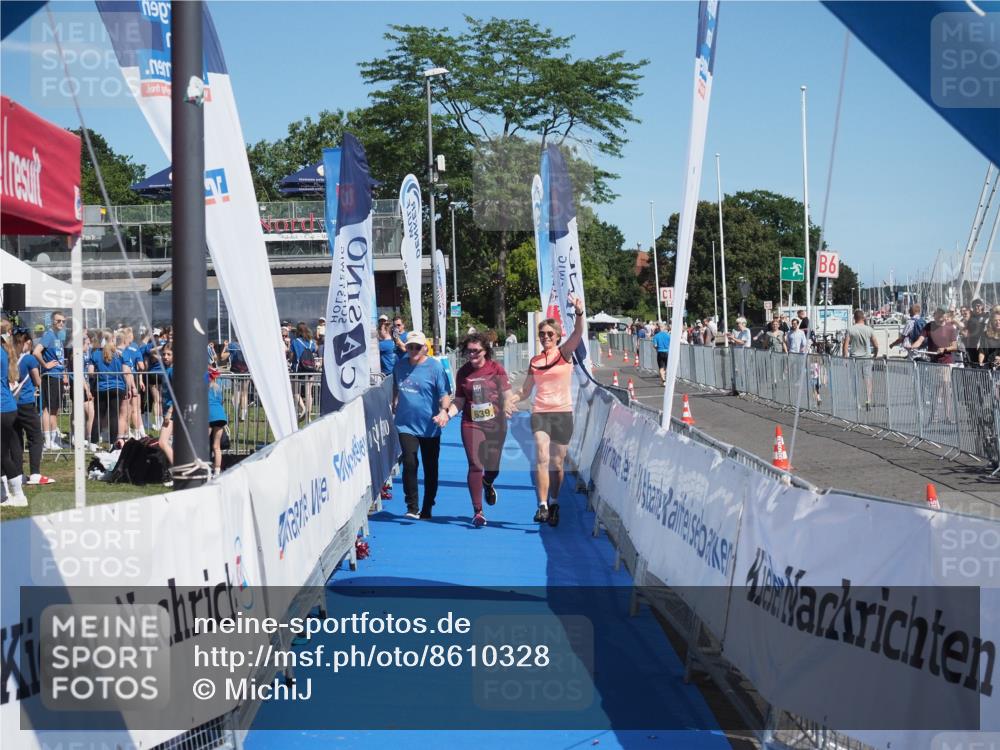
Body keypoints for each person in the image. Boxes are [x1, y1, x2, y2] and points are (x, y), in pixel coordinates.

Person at [517, 293, 586, 527]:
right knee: (542, 456)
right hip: (540, 413)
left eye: (549, 334)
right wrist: (508, 400)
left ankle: (555, 501)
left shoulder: (564, 353)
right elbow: (525, 391)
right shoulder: (535, 361)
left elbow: (578, 334)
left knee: (557, 464)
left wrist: (578, 312)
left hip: (562, 413)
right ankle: (543, 505)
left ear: (557, 337)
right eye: (542, 334)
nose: (545, 337)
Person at [446, 332, 516, 527]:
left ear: (485, 351)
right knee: (475, 464)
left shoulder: (496, 369)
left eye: (476, 351)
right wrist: (447, 414)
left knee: (492, 466)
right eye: (469, 351)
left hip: (496, 424)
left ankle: (488, 482)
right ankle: (478, 511)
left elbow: (508, 394)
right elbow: (459, 401)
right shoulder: (463, 372)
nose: (472, 355)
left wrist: (509, 404)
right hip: (471, 422)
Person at [392, 331, 452, 519]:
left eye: (417, 347)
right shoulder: (400, 365)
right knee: (409, 462)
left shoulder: (435, 368)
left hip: (429, 426)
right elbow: (395, 386)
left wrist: (444, 411)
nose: (413, 350)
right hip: (405, 424)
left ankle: (428, 504)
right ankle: (412, 506)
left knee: (430, 467)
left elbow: (445, 394)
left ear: (425, 347)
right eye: (410, 346)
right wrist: (394, 400)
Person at [13, 329, 53, 485]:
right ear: (27, 342)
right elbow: (37, 380)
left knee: (16, 439)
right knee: (35, 437)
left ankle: (18, 474)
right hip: (26, 403)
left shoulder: (10, 359)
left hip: (12, 404)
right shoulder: (29, 359)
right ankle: (35, 473)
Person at [33, 311, 68, 450]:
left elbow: (60, 358)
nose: (61, 323)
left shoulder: (58, 337)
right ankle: (47, 440)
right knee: (48, 409)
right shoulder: (48, 335)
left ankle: (53, 439)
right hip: (51, 376)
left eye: (63, 321)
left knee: (55, 409)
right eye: (58, 321)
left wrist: (64, 373)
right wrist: (45, 365)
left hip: (58, 375)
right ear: (52, 322)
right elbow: (36, 352)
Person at [88, 336, 131, 448]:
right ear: (112, 341)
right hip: (118, 387)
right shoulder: (121, 354)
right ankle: (112, 443)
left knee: (98, 415)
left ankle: (93, 442)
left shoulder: (96, 354)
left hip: (101, 387)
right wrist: (130, 388)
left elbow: (91, 373)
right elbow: (126, 371)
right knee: (114, 416)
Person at [1, 324, 27, 507]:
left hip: (2, 408)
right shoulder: (4, 350)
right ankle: (5, 494)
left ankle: (18, 495)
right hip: (7, 407)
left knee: (2, 455)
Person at [843, 309, 879, 409]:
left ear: (854, 318)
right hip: (867, 358)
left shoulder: (850, 329)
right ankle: (868, 399)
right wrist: (875, 355)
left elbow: (845, 345)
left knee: (854, 380)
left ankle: (857, 402)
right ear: (863, 317)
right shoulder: (869, 329)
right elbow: (876, 345)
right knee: (868, 380)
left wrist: (845, 358)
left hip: (854, 358)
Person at [291, 322, 318, 421]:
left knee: (295, 392)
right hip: (310, 368)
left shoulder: (295, 341)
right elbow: (315, 349)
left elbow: (292, 354)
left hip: (298, 369)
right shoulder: (311, 342)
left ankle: (303, 409)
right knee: (309, 392)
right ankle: (308, 416)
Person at [207, 367, 227, 478]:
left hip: (209, 417)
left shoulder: (203, 388)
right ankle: (218, 471)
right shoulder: (217, 388)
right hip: (221, 417)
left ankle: (203, 468)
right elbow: (221, 401)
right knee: (216, 446)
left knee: (203, 444)